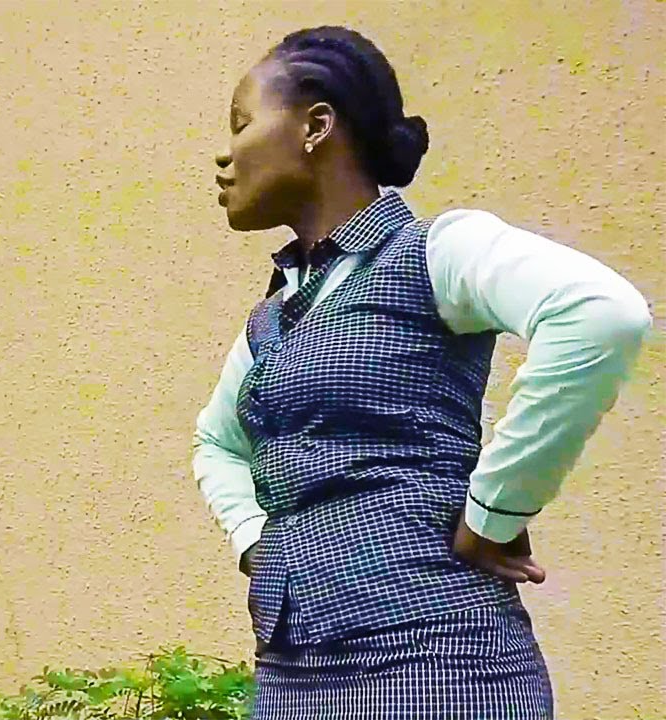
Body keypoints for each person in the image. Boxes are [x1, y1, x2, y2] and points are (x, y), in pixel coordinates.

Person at [192, 26, 650, 719]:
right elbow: (215, 443)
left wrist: (496, 508)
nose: (224, 155)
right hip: (291, 676)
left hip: (436, 662)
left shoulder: (435, 251)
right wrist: (257, 541)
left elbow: (600, 314)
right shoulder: (273, 318)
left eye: (241, 122)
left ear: (316, 127)